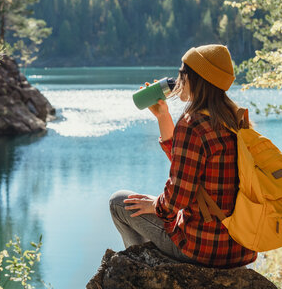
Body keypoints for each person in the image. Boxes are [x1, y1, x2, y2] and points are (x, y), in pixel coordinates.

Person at [109, 44, 258, 268]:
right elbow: (192, 169)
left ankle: (141, 268)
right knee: (144, 203)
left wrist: (156, 205)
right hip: (241, 246)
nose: (178, 78)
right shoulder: (236, 118)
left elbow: (177, 199)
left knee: (120, 202)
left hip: (202, 248)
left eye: (182, 72)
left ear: (196, 79)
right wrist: (162, 116)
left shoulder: (194, 123)